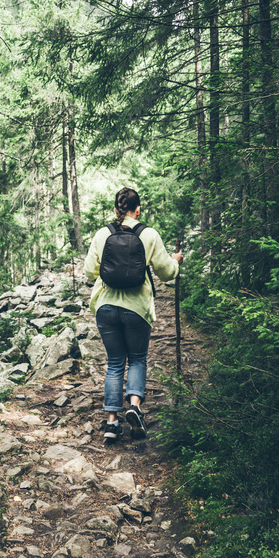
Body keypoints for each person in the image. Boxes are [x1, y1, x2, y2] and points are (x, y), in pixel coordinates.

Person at [84, 187, 183, 441]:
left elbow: (89, 272)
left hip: (105, 307)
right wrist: (176, 260)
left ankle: (111, 423)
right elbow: (167, 273)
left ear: (116, 210)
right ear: (137, 210)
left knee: (115, 362)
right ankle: (135, 407)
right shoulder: (148, 234)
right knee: (137, 358)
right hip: (137, 308)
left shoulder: (103, 234)